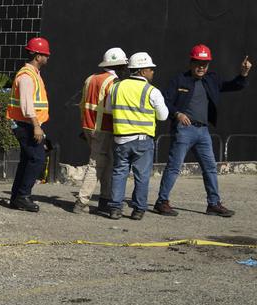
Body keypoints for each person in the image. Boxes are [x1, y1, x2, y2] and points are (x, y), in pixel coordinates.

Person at [154, 45, 251, 217]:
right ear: (191, 63)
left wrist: (243, 74)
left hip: (203, 131)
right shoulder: (179, 80)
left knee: (210, 168)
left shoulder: (211, 79)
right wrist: (177, 113)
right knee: (174, 167)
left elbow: (234, 86)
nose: (201, 67)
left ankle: (213, 204)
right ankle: (162, 202)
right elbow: (164, 101)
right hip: (184, 130)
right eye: (198, 63)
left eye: (205, 64)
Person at [104, 52, 168, 220]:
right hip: (142, 141)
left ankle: (115, 208)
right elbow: (163, 116)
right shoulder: (151, 91)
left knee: (119, 173)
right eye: (150, 69)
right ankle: (139, 209)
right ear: (142, 71)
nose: (153, 72)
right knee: (142, 175)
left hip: (121, 139)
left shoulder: (116, 87)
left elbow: (109, 110)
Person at [73, 47, 127, 213]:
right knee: (96, 164)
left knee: (106, 162)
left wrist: (84, 126)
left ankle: (105, 199)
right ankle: (81, 202)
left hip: (89, 127)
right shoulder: (114, 83)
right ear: (120, 65)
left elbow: (82, 104)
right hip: (103, 129)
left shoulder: (91, 79)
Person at [5, 37, 51, 212]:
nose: (47, 58)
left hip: (27, 124)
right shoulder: (26, 76)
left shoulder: (33, 74)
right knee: (36, 159)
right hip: (27, 125)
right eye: (46, 55)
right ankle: (23, 196)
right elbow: (27, 106)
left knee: (26, 160)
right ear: (38, 56)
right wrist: (36, 126)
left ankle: (16, 197)